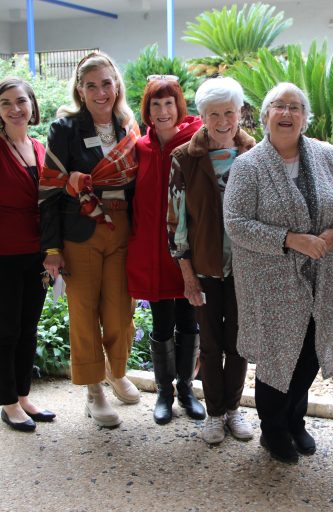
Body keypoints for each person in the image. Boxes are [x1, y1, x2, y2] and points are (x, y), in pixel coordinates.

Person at [224, 82, 333, 463]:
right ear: (264, 117)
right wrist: (290, 239)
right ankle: (273, 430)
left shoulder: (327, 156)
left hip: (323, 278)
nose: (287, 113)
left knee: (311, 352)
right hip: (271, 283)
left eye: (295, 107)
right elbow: (236, 223)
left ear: (305, 118)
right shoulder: (249, 165)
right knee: (279, 358)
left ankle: (296, 420)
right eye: (278, 106)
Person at [39, 52, 141, 428]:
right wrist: (51, 250)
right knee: (83, 313)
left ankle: (116, 372)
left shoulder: (129, 126)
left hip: (122, 228)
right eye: (92, 86)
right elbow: (50, 189)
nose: (101, 92)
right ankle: (93, 389)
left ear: (117, 85)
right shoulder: (64, 129)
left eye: (107, 83)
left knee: (120, 311)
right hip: (79, 231)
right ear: (80, 90)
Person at [167, 76, 256, 444]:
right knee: (211, 344)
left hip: (246, 269)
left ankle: (234, 410)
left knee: (239, 342)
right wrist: (187, 274)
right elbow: (175, 223)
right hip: (204, 268)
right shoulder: (184, 159)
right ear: (202, 116)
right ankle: (214, 413)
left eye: (229, 112)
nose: (222, 121)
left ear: (240, 113)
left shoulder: (255, 154)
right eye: (214, 113)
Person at [0, 77, 54, 432]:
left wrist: (53, 254)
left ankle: (23, 396)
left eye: (21, 101)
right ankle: (7, 403)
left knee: (28, 328)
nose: (15, 109)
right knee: (6, 332)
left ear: (32, 105)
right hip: (0, 257)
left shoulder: (40, 147)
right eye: (6, 103)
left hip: (36, 257)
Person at [127, 76, 205, 425]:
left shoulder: (195, 143)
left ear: (179, 107)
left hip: (187, 251)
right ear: (147, 109)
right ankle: (164, 391)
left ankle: (187, 389)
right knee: (160, 323)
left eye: (169, 103)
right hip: (150, 251)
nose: (162, 111)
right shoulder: (138, 148)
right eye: (156, 104)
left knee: (188, 320)